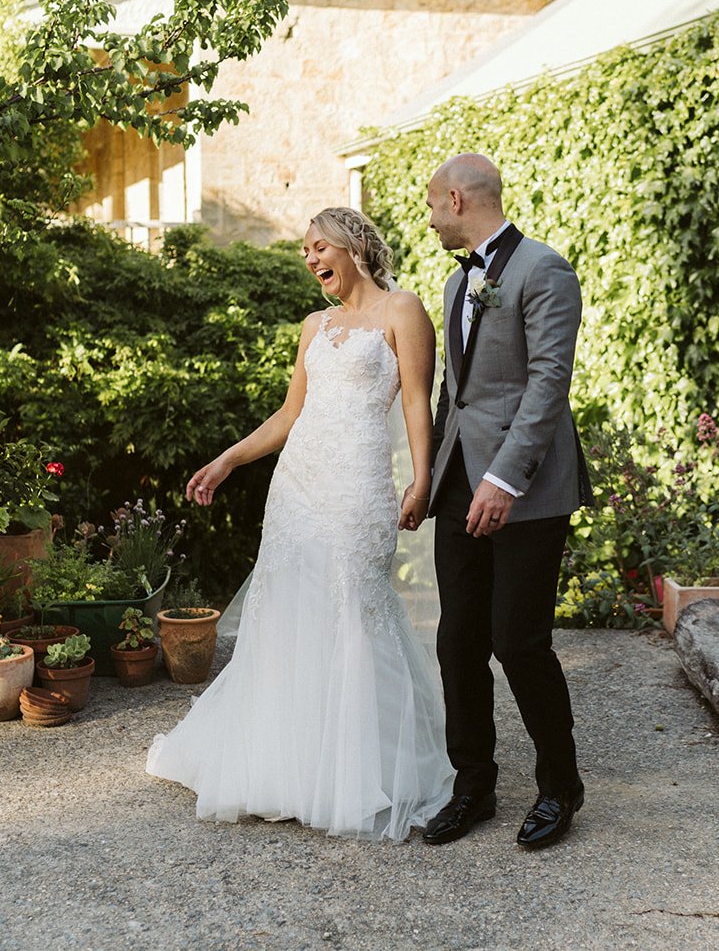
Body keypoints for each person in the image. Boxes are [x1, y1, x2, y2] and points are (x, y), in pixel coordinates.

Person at [146, 206, 454, 842]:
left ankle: (359, 770)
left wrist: (422, 480)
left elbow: (417, 402)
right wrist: (228, 460)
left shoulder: (403, 311)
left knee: (354, 606)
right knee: (291, 609)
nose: (311, 260)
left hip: (358, 488)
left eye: (319, 247)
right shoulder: (315, 324)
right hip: (297, 488)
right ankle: (289, 766)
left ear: (352, 244)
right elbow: (290, 415)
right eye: (305, 252)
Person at [420, 153, 593, 850]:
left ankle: (560, 784)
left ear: (457, 199)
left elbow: (549, 383)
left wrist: (504, 479)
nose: (431, 219)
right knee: (457, 639)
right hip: (459, 481)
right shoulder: (454, 281)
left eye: (433, 205)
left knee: (518, 641)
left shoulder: (544, 269)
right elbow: (454, 394)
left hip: (528, 489)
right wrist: (430, 478)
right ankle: (474, 785)